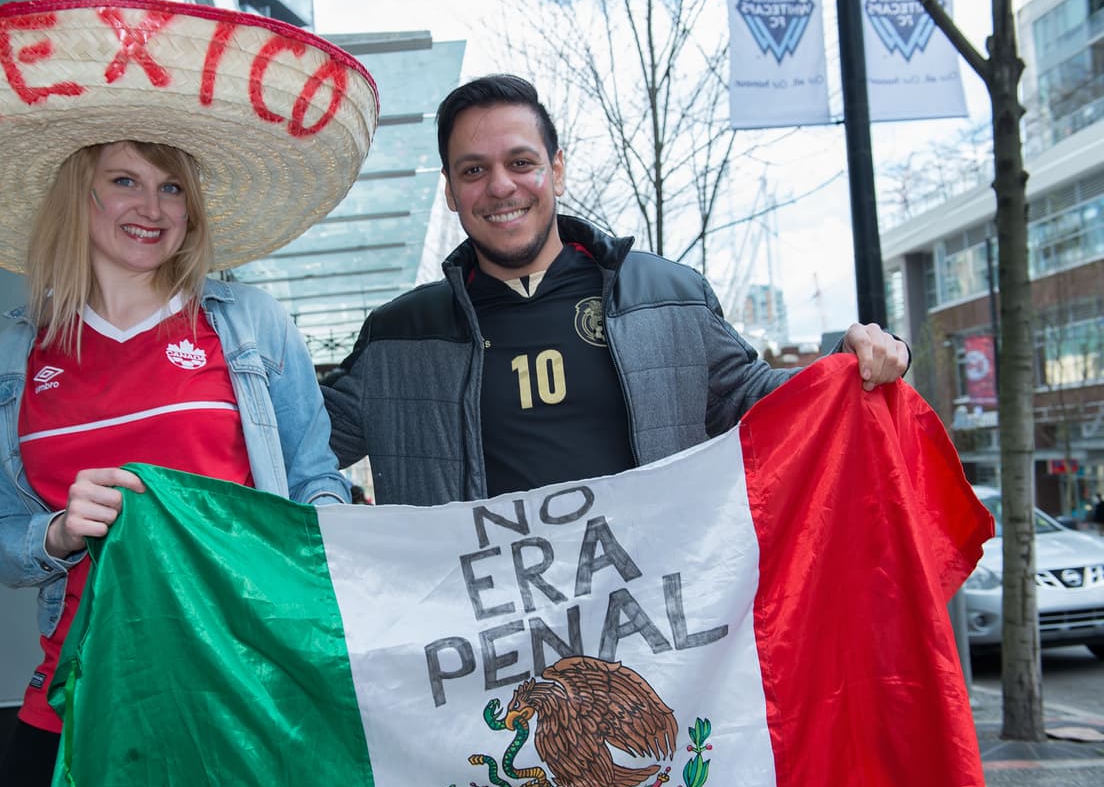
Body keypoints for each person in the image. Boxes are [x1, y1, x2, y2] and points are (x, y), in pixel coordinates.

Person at [0, 0, 378, 787]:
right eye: (125, 180)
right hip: (78, 685)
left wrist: (332, 551)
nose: (151, 208)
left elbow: (314, 483)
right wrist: (60, 532)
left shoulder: (248, 326)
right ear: (79, 195)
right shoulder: (20, 354)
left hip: (239, 682)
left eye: (172, 187)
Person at [322, 74, 909, 506]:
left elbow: (765, 403)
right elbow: (298, 446)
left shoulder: (668, 299)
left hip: (652, 630)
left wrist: (853, 363)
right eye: (474, 170)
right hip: (479, 636)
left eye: (521, 162)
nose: (500, 186)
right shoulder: (398, 338)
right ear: (450, 191)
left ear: (557, 170)